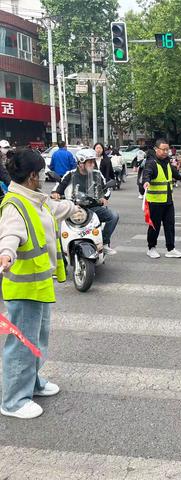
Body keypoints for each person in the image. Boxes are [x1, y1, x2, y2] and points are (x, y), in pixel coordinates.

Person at [0, 149, 80, 419]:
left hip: (40, 283)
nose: (45, 177)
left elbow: (57, 208)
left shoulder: (36, 200)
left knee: (36, 341)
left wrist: (77, 208)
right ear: (33, 176)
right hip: (24, 288)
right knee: (22, 345)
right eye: (42, 172)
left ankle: (31, 383)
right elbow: (9, 234)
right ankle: (13, 401)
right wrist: (6, 254)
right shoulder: (15, 204)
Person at [51, 149, 119, 255]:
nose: (92, 164)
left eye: (93, 161)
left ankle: (104, 243)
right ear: (81, 163)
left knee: (113, 216)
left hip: (93, 207)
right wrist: (55, 193)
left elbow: (106, 190)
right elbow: (59, 186)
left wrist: (104, 197)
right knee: (60, 228)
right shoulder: (70, 174)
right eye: (90, 162)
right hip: (73, 208)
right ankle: (61, 254)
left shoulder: (97, 174)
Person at [142, 139, 181, 259]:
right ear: (156, 149)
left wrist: (179, 176)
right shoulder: (151, 162)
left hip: (168, 201)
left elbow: (173, 173)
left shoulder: (167, 162)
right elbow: (147, 174)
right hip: (155, 201)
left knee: (170, 225)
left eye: (167, 149)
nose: (166, 152)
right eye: (163, 149)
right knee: (155, 226)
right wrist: (146, 182)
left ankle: (171, 249)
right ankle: (151, 248)